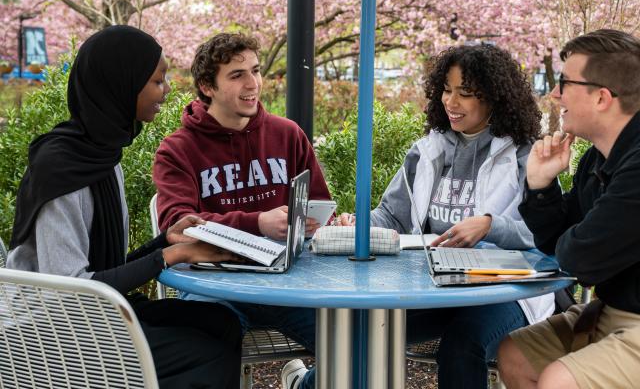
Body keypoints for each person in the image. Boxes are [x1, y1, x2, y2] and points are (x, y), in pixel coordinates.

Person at [289, 43, 556, 389]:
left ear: (494, 98)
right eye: (446, 90)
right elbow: (393, 215)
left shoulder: (524, 154)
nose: (451, 102)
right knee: (364, 337)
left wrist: (491, 225)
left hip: (504, 290)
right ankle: (304, 385)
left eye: (466, 93)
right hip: (434, 287)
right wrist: (360, 225)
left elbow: (546, 232)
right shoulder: (428, 150)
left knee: (462, 347)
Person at [6, 25, 243, 389]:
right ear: (121, 83)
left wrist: (164, 241)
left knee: (220, 322)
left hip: (91, 312)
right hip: (47, 334)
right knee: (206, 354)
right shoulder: (61, 170)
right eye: (156, 81)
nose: (166, 90)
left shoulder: (102, 154)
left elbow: (104, 269)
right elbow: (69, 290)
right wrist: (172, 255)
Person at [152, 32, 332, 389]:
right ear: (207, 86)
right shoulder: (177, 150)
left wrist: (322, 222)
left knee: (355, 348)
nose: (253, 84)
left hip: (288, 282)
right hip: (214, 286)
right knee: (203, 361)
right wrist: (258, 223)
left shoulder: (288, 134)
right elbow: (177, 228)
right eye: (237, 75)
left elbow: (315, 204)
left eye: (256, 70)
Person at [497, 29, 640, 389]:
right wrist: (541, 185)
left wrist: (573, 242)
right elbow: (557, 243)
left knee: (559, 380)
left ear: (601, 98)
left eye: (564, 82)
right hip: (608, 312)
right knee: (516, 355)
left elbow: (580, 259)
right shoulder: (598, 156)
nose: (554, 93)